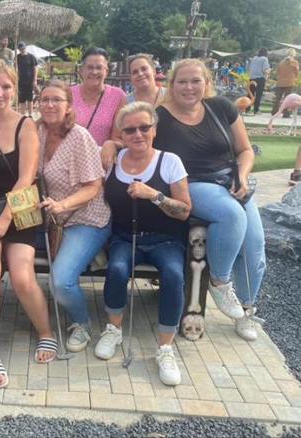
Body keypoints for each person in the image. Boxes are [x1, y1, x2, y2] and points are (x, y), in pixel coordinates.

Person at [112, 58, 264, 342]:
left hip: (231, 181)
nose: (189, 87)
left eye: (196, 80)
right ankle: (219, 281)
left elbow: (245, 150)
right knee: (231, 215)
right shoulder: (162, 115)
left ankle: (247, 311)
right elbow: (138, 136)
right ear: (172, 84)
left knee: (255, 249)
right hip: (191, 182)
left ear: (207, 82)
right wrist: (111, 144)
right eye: (182, 81)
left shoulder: (222, 108)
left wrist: (242, 176)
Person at [0, 60, 56, 388]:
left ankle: (45, 331)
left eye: (5, 87)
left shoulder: (26, 126)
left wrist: (5, 219)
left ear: (15, 90)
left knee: (21, 275)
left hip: (20, 203)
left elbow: (26, 177)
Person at [99, 102, 191, 386]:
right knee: (116, 268)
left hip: (165, 239)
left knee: (174, 275)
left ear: (154, 130)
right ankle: (113, 330)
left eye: (144, 127)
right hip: (125, 236)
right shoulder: (113, 159)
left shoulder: (170, 161)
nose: (137, 134)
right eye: (130, 130)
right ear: (122, 134)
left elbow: (184, 210)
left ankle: (165, 347)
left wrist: (154, 195)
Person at [36, 79, 111, 352]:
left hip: (87, 217)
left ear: (69, 106)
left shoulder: (79, 137)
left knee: (60, 282)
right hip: (51, 218)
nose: (50, 104)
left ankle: (82, 323)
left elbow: (93, 186)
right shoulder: (37, 132)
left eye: (57, 99)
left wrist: (63, 204)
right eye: (45, 99)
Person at [71, 47, 125, 146]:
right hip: (70, 153)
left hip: (102, 154)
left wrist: (110, 147)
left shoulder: (117, 96)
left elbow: (118, 137)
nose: (94, 72)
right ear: (81, 70)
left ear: (106, 71)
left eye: (99, 68)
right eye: (90, 67)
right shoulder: (68, 94)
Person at [272, 48, 299, 118]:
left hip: (280, 82)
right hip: (289, 82)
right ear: (294, 54)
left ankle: (274, 111)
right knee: (287, 99)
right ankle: (285, 113)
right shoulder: (295, 62)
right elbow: (296, 73)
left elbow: (278, 72)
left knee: (278, 98)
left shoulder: (281, 62)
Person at [17, 42, 38, 117]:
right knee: (22, 100)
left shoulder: (31, 57)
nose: (22, 50)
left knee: (30, 99)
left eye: (23, 48)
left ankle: (30, 115)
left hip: (30, 81)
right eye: (21, 49)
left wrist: (35, 80)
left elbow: (35, 69)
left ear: (25, 48)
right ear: (19, 49)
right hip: (20, 81)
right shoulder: (17, 57)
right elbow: (15, 67)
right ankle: (22, 116)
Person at [248, 47, 270, 115]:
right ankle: (256, 110)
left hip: (252, 78)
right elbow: (264, 70)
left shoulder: (254, 58)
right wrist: (268, 72)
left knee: (250, 94)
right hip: (260, 78)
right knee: (258, 95)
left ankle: (247, 109)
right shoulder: (265, 59)